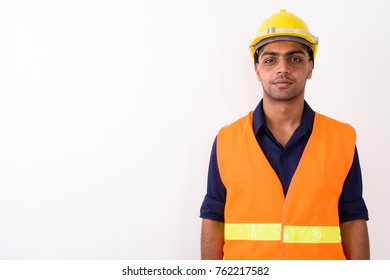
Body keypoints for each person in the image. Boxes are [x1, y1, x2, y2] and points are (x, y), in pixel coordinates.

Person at [199, 9, 370, 260]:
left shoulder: (340, 140)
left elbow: (353, 217)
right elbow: (213, 217)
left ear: (310, 67)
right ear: (257, 69)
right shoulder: (227, 140)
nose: (283, 69)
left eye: (295, 59)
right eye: (270, 60)